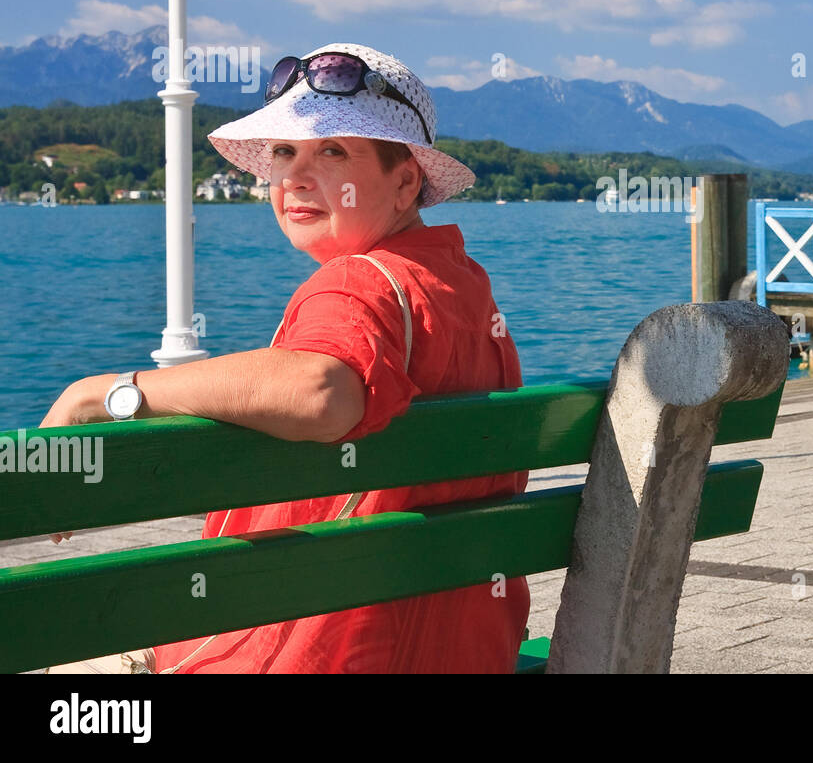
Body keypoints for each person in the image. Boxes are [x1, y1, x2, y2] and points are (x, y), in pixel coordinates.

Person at [39, 43, 528, 673]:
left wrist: (104, 392)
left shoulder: (357, 283)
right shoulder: (462, 287)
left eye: (332, 152)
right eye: (283, 153)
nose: (295, 177)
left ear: (405, 180)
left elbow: (319, 390)